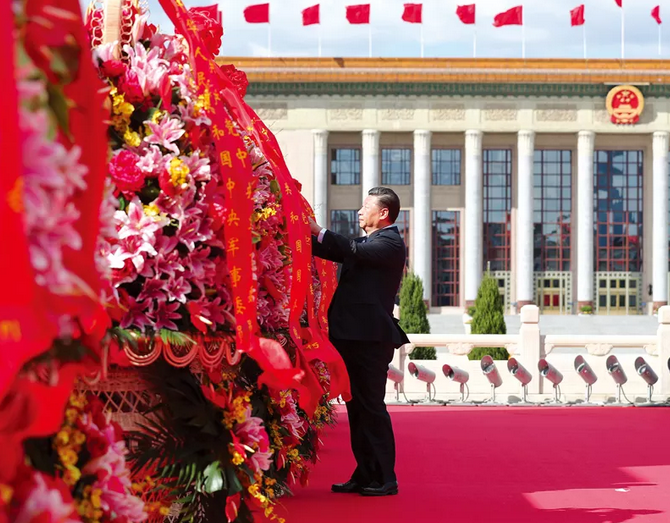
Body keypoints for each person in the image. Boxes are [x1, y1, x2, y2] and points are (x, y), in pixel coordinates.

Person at [309, 186, 409, 497]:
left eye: (366, 206)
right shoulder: (367, 243)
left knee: (371, 407)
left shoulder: (390, 243)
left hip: (370, 340)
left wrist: (318, 230)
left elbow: (350, 249)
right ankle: (365, 472)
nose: (360, 211)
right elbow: (335, 250)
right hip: (353, 336)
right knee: (357, 408)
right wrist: (299, 233)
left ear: (384, 213)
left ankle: (385, 477)